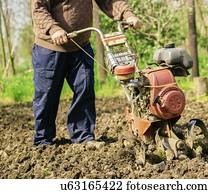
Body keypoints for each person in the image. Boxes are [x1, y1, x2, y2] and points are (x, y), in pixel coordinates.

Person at [31, 0, 142, 146]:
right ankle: (43, 140)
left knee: (85, 90)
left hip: (81, 47)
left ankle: (83, 137)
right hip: (49, 48)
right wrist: (53, 28)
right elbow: (38, 8)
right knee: (46, 95)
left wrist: (127, 15)